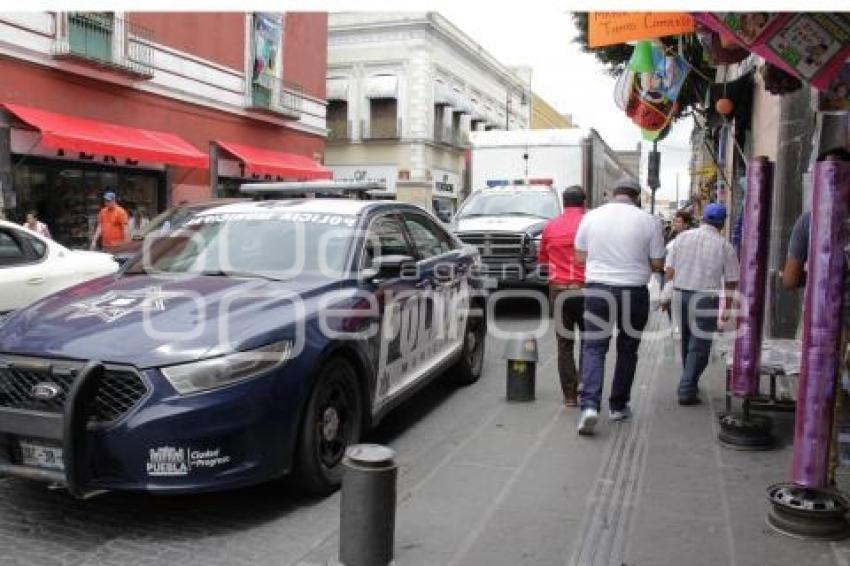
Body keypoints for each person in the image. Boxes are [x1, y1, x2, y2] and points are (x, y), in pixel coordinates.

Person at [574, 177, 666, 435]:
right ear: (636, 197)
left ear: (613, 193)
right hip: (634, 291)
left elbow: (580, 256)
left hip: (598, 290)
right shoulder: (649, 220)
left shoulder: (592, 216)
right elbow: (658, 263)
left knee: (594, 348)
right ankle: (618, 406)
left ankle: (590, 406)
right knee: (628, 349)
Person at [660, 203, 740, 405]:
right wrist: (727, 307)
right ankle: (686, 388)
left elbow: (669, 270)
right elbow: (731, 279)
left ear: (703, 219)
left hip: (680, 295)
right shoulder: (724, 245)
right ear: (722, 224)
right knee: (700, 345)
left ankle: (690, 383)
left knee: (685, 341)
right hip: (706, 298)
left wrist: (667, 295)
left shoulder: (682, 238)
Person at [538, 185, 586, 407]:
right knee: (590, 341)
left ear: (564, 203)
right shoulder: (589, 224)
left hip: (558, 289)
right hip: (586, 289)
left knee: (564, 344)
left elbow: (543, 260)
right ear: (583, 203)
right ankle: (586, 383)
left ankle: (569, 396)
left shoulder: (550, 227)